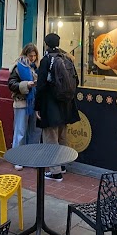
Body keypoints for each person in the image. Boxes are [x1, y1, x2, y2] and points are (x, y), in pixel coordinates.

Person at [35, 33, 79, 181]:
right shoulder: (67, 59)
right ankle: (62, 165)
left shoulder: (46, 60)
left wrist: (37, 107)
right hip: (66, 105)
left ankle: (55, 172)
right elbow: (76, 81)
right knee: (62, 137)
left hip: (50, 106)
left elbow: (40, 86)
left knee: (50, 138)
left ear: (46, 44)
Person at [8, 43, 40, 169]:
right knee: (20, 131)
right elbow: (11, 84)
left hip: (34, 103)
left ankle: (30, 156)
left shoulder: (37, 67)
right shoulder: (18, 67)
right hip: (22, 102)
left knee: (35, 131)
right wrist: (27, 84)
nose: (32, 58)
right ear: (25, 54)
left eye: (34, 55)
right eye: (30, 55)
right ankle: (18, 157)